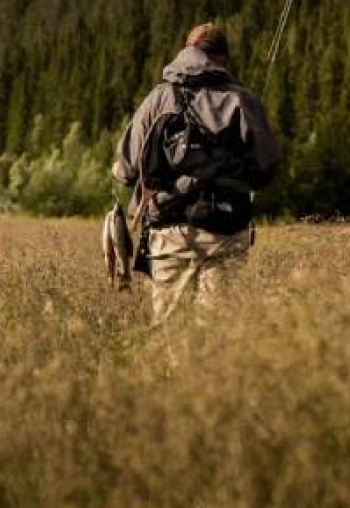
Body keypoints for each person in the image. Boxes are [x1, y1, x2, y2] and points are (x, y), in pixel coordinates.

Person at [112, 23, 282, 324]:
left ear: (186, 52)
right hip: (226, 231)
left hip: (167, 234)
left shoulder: (157, 98)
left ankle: (175, 374)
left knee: (171, 334)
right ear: (224, 59)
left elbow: (125, 171)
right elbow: (266, 169)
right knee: (216, 337)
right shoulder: (241, 100)